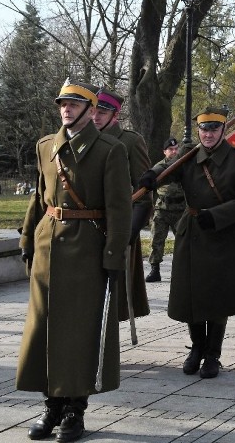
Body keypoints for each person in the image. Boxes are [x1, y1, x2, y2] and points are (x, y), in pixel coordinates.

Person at [17, 80, 132, 443]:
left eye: (74, 104)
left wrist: (113, 254)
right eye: (62, 103)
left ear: (89, 109)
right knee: (44, 329)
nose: (66, 109)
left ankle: (74, 410)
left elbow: (119, 209)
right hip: (48, 245)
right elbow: (39, 198)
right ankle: (50, 404)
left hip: (87, 248)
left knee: (80, 332)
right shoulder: (46, 147)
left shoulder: (109, 151)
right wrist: (26, 237)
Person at [138, 106, 235, 379]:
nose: (208, 134)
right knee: (191, 295)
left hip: (224, 235)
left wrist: (216, 216)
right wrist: (151, 175)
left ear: (224, 130)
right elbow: (169, 168)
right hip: (192, 233)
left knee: (217, 298)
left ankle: (212, 355)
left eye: (214, 128)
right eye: (204, 129)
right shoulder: (190, 156)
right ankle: (196, 348)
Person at [93, 87, 152, 321]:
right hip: (89, 224)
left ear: (115, 115)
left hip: (119, 225)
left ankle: (108, 347)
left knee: (115, 295)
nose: (96, 116)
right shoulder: (83, 138)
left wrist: (128, 233)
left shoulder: (130, 141)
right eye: (93, 111)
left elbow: (144, 193)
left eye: (102, 112)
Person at [145, 137, 186, 283]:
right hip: (162, 209)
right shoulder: (159, 167)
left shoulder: (183, 165)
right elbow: (150, 187)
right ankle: (155, 270)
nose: (174, 152)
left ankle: (184, 270)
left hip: (180, 209)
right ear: (164, 152)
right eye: (171, 149)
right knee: (157, 240)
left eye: (176, 149)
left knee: (183, 241)